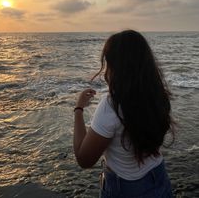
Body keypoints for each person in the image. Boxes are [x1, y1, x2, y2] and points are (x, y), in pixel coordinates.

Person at [73, 30, 174, 197]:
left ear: (115, 66)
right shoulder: (157, 95)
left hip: (125, 189)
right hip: (159, 176)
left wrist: (78, 109)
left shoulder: (112, 105)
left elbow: (84, 159)